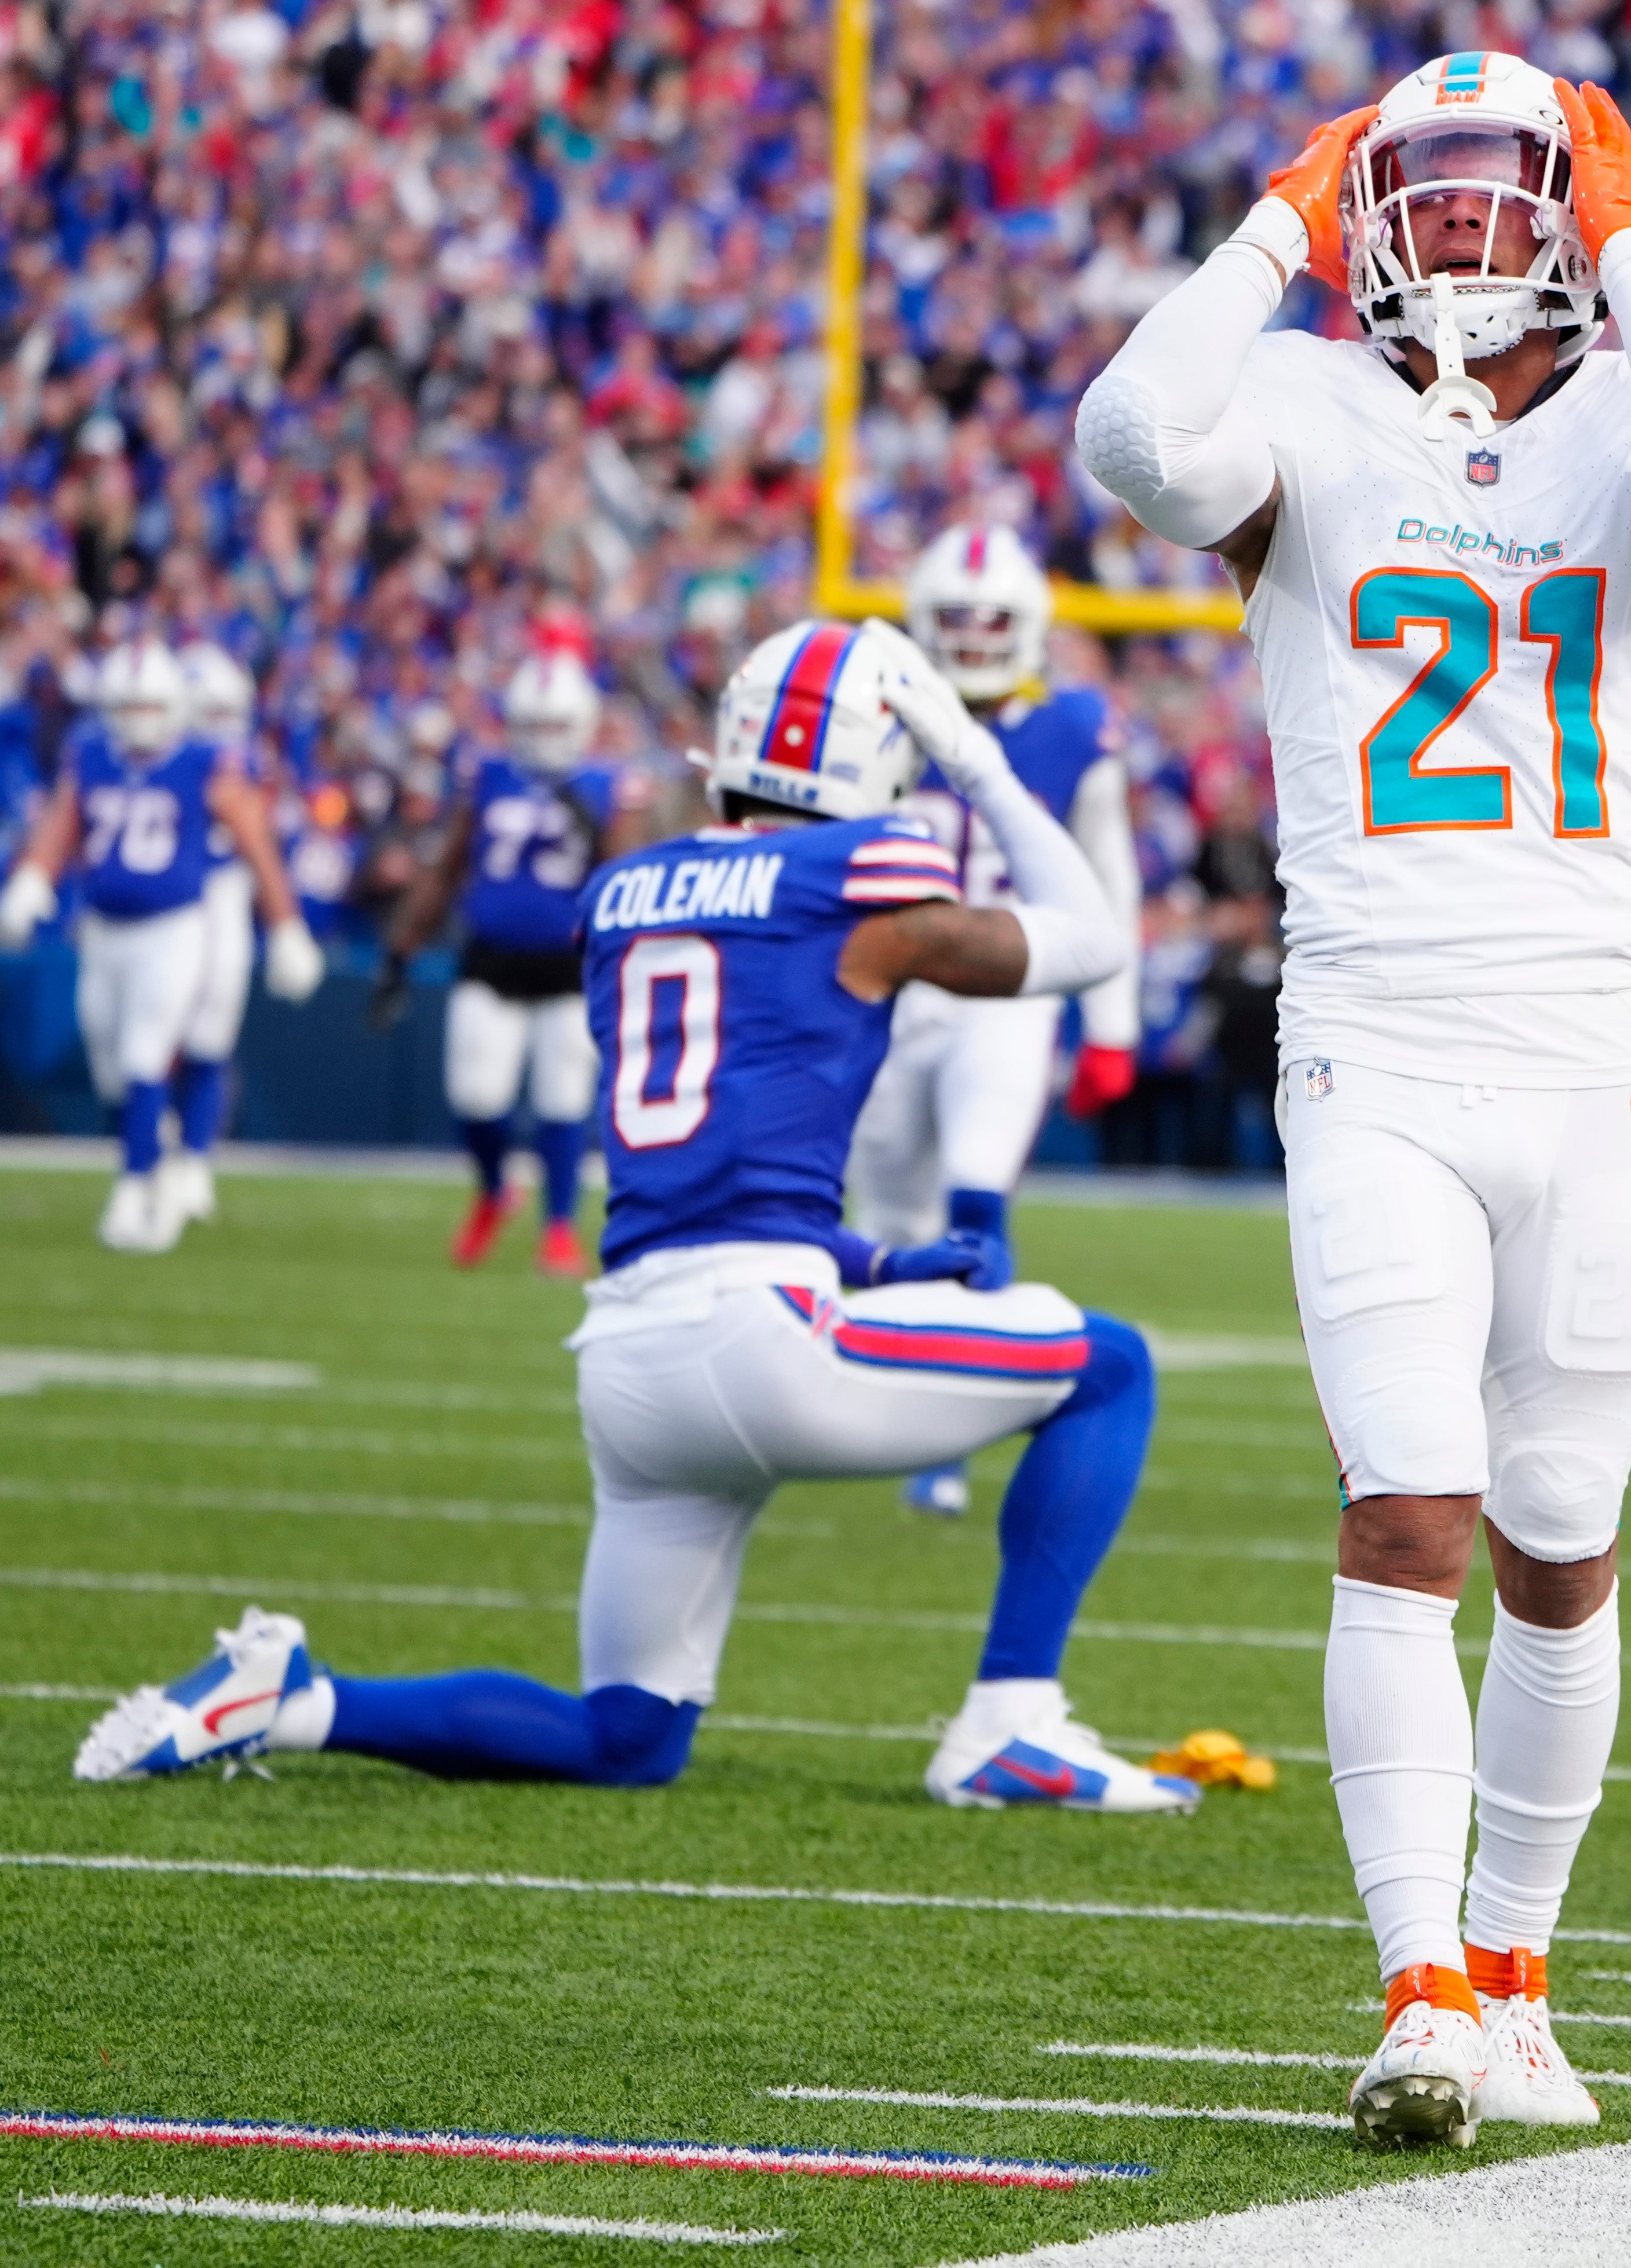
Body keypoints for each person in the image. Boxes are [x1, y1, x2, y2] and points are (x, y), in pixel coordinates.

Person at [1075, 55, 1631, 2145]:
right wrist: (1277, 219)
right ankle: (1415, 1986)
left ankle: (1521, 1967)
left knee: (1561, 1544)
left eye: (1510, 183)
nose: (1462, 219)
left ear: (1574, 207)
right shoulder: (1299, 399)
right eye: (1422, 183)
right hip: (1376, 1030)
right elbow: (1128, 436)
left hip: (1589, 1049)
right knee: (1407, 1506)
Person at [76, 620, 1190, 1818]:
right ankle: (1009, 1725)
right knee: (1112, 1368)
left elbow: (717, 1148)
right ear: (879, 760)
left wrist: (870, 1254)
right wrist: (971, 754)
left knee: (628, 1734)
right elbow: (1089, 940)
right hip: (764, 1340)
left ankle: (293, 1700)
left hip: (632, 1361)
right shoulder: (858, 876)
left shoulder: (624, 892)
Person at [844, 525, 1144, 1518]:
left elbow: (1110, 880)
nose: (974, 639)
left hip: (1011, 990)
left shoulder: (1070, 729)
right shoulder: (871, 718)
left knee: (976, 1193)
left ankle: (951, 1440)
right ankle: (896, 1413)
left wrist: (1113, 1021)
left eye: (993, 623)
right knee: (890, 1222)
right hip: (891, 997)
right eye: (957, 622)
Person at [0, 642, 321, 1252]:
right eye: (128, 705)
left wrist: (285, 925)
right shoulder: (92, 753)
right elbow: (61, 825)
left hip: (176, 926)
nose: (139, 718)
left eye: (151, 705)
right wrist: (31, 881)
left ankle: (138, 1185)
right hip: (102, 929)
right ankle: (155, 1150)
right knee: (111, 1066)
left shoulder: (207, 762)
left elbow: (255, 839)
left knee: (149, 1052)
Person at [378, 652, 636, 1278]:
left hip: (568, 965)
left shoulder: (607, 786)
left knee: (562, 1097)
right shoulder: (488, 775)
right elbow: (449, 866)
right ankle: (495, 1189)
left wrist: (601, 828)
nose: (546, 739)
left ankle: (557, 1229)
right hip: (490, 957)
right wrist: (402, 949)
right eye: (535, 725)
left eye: (557, 726)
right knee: (475, 1094)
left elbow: (629, 875)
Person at [167, 641, 268, 1227]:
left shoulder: (245, 760)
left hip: (222, 896)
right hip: (169, 902)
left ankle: (196, 1159)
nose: (220, 732)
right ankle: (159, 1147)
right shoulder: (156, 760)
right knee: (149, 1039)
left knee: (210, 1032)